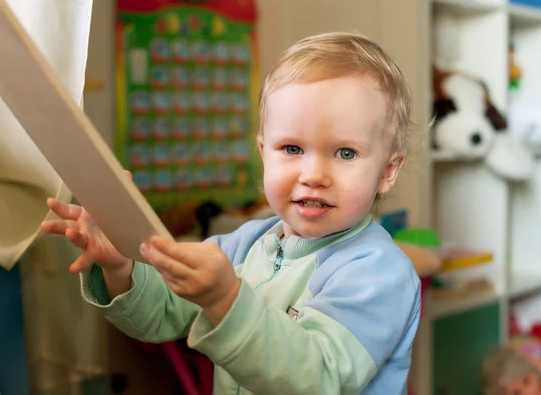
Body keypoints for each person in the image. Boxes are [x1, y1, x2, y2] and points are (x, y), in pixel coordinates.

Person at [41, 32, 421, 394]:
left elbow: (318, 377)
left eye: (345, 153)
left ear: (387, 172)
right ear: (262, 151)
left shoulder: (377, 272)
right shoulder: (244, 245)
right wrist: (120, 268)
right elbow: (161, 314)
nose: (313, 175)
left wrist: (226, 299)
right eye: (291, 149)